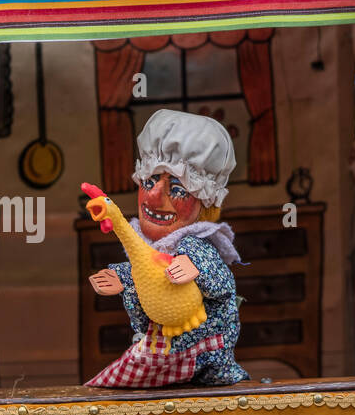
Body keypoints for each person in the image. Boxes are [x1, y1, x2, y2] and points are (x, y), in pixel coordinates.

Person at [87, 109, 247, 388]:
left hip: (203, 357)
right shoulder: (152, 248)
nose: (153, 195)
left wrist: (195, 268)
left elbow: (221, 280)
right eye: (149, 181)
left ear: (206, 198)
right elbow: (150, 270)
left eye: (177, 188)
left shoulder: (195, 246)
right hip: (166, 354)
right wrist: (123, 278)